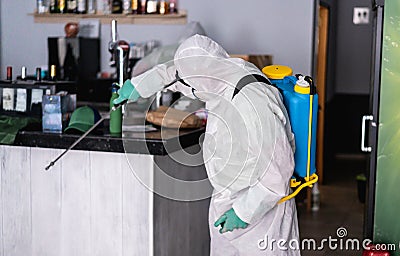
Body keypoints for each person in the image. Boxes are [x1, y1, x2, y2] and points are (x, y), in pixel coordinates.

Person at [114, 34, 300, 255]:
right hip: (227, 197)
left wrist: (243, 212)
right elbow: (174, 72)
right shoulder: (222, 73)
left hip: (262, 214)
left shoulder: (254, 103)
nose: (185, 87)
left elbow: (277, 174)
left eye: (191, 84)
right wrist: (138, 86)